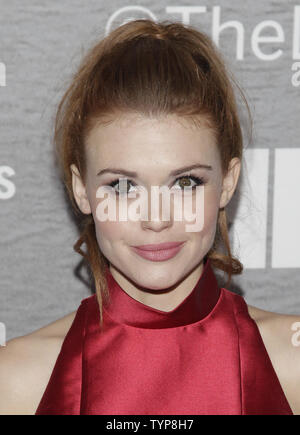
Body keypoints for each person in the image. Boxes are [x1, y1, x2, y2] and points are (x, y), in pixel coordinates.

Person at [0, 18, 299, 415]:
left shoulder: (291, 364)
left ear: (228, 182)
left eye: (187, 182)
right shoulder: (17, 380)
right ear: (80, 189)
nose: (156, 219)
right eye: (123, 187)